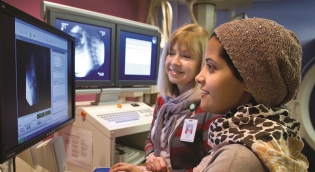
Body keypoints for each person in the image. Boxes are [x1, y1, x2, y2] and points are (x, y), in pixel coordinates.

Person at [193, 17, 309, 172]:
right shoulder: (273, 135)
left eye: (211, 66)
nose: (199, 77)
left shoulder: (235, 160)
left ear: (249, 81)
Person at [111, 23, 220, 172]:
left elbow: (211, 164)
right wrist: (151, 158)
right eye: (171, 53)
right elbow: (150, 138)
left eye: (186, 56)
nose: (174, 62)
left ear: (201, 63)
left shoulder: (208, 106)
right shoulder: (163, 101)